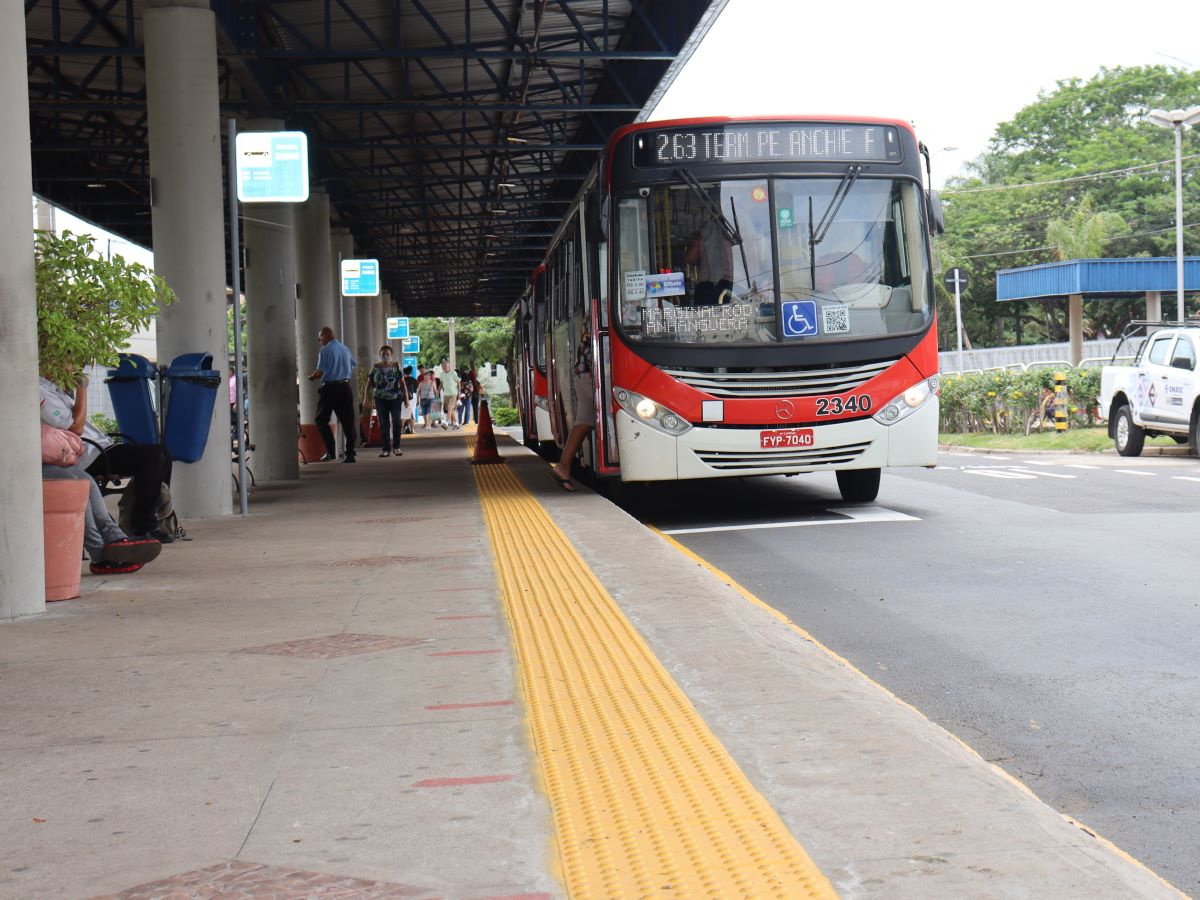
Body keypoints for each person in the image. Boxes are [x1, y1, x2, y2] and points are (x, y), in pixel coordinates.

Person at [39, 372, 175, 542]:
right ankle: (140, 525)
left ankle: (155, 516)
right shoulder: (40, 392)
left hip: (98, 447)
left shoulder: (52, 388)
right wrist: (82, 389)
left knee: (163, 454)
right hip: (85, 454)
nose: (74, 367)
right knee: (152, 456)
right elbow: (76, 428)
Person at [42, 460, 162, 574]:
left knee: (86, 479)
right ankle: (98, 552)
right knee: (73, 483)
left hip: (50, 460)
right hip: (34, 463)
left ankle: (114, 537)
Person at [549, 320, 596, 492]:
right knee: (586, 421)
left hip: (584, 374)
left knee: (584, 421)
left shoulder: (588, 316)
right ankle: (563, 466)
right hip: (589, 375)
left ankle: (563, 466)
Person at [307, 326, 357, 463]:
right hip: (345, 387)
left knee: (320, 420)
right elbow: (352, 364)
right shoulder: (345, 349)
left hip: (330, 388)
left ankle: (330, 452)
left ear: (324, 336)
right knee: (348, 421)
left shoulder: (325, 350)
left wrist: (311, 377)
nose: (320, 342)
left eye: (319, 339)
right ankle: (350, 454)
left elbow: (320, 372)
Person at [365, 345, 408, 457]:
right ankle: (386, 449)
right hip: (380, 399)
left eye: (387, 354)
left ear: (391, 355)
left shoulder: (396, 366)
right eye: (383, 354)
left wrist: (406, 398)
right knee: (384, 424)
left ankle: (396, 447)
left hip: (395, 398)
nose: (385, 356)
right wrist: (366, 399)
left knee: (397, 422)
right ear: (380, 355)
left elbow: (402, 383)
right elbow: (368, 385)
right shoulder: (375, 367)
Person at [685, 211, 734, 306]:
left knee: (703, 314)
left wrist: (696, 241)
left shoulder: (704, 235)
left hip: (708, 287)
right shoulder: (732, 238)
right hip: (730, 285)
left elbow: (690, 258)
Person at [436, 358, 461, 431]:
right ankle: (456, 424)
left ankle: (447, 423)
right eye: (443, 366)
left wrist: (459, 393)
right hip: (446, 395)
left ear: (448, 366)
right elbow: (441, 384)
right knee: (451, 410)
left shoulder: (453, 373)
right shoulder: (442, 374)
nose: (444, 367)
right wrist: (437, 392)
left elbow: (458, 383)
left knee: (450, 407)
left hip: (453, 394)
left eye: (445, 366)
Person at [401, 365, 418, 434]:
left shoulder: (402, 380)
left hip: (403, 398)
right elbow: (416, 390)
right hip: (413, 398)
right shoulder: (414, 380)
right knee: (412, 414)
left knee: (403, 414)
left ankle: (401, 430)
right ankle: (412, 430)